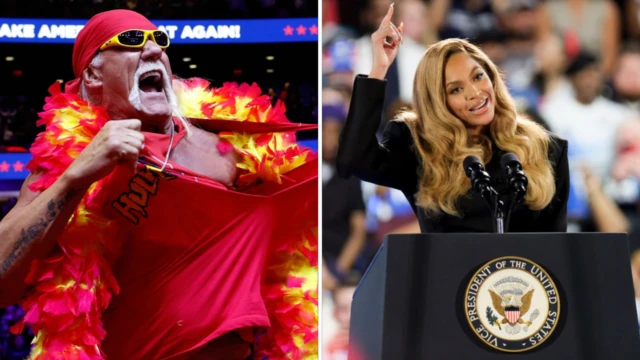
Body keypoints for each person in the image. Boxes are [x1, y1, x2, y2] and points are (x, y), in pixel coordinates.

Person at [0, 9, 317, 360]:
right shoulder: (69, 163)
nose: (154, 51)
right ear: (92, 74)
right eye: (132, 41)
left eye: (159, 41)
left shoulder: (233, 145)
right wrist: (76, 177)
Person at [336, 4, 569, 233]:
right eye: (455, 90)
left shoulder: (546, 148)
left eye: (478, 76)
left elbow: (555, 247)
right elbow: (353, 160)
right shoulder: (420, 148)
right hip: (449, 271)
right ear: (438, 102)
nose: (475, 93)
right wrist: (379, 68)